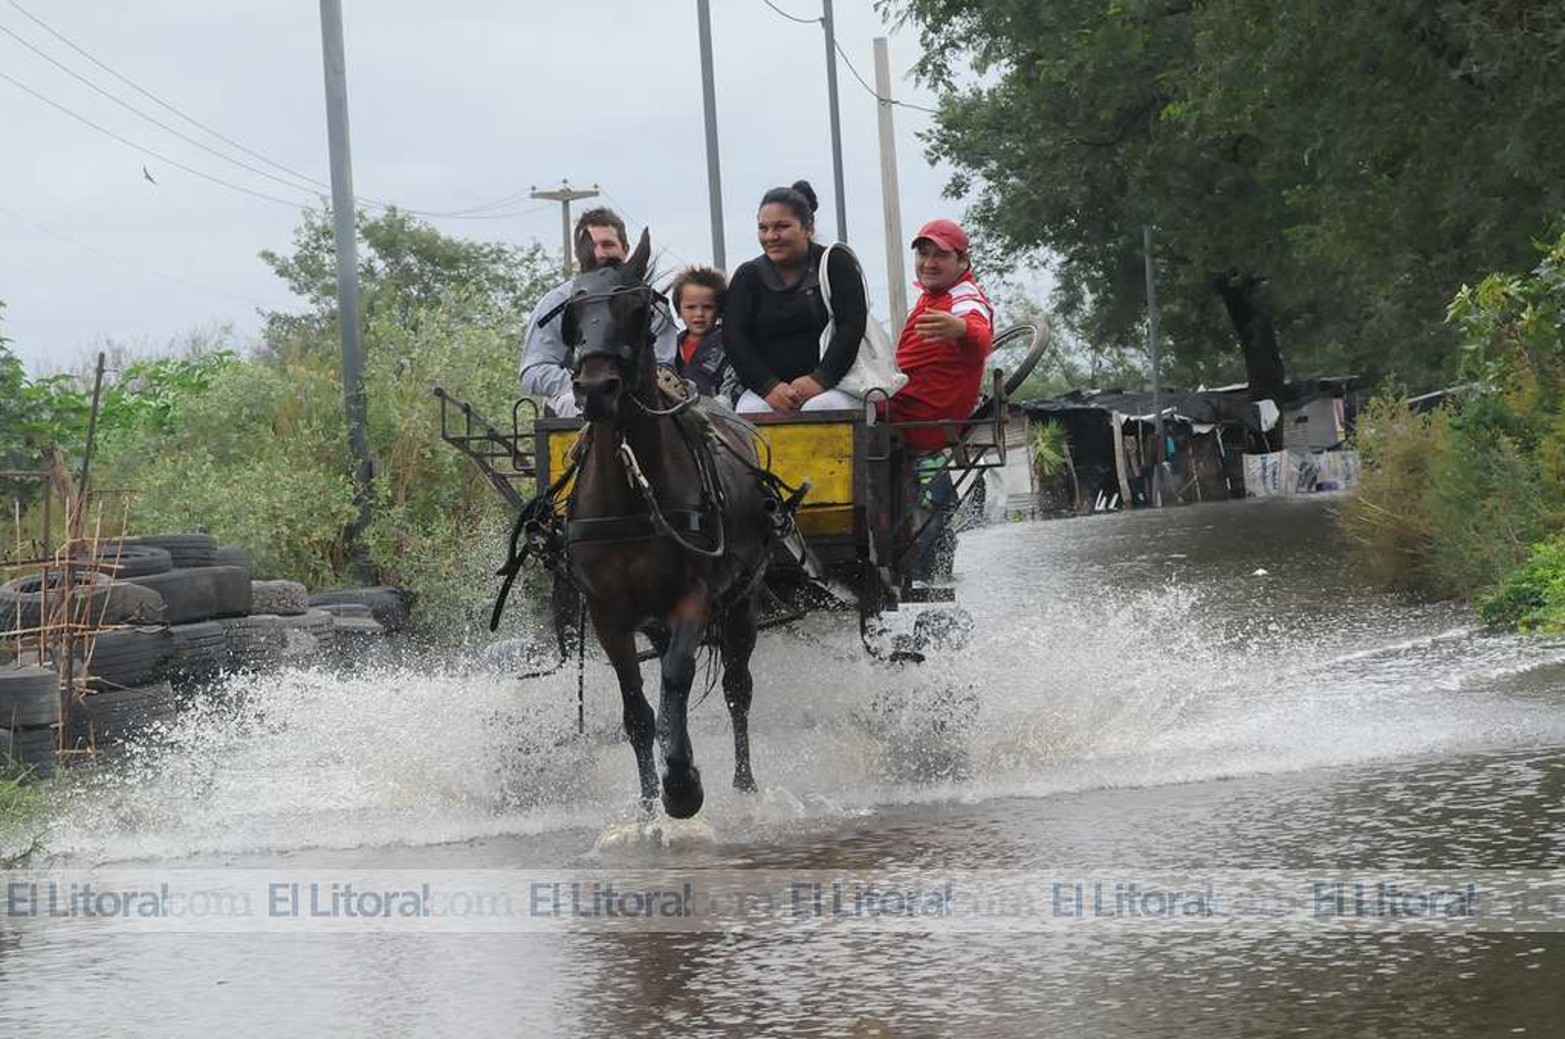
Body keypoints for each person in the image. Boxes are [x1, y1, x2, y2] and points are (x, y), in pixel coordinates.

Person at [722, 180, 868, 414]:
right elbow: (734, 336)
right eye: (763, 228)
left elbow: (851, 326)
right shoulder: (747, 275)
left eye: (782, 227)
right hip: (768, 392)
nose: (771, 236)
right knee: (749, 414)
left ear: (808, 228)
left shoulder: (835, 263)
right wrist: (768, 387)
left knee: (821, 408)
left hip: (838, 386)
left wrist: (820, 379)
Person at [519, 207, 678, 417]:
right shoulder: (556, 302)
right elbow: (533, 370)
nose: (600, 253)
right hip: (574, 399)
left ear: (625, 249)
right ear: (579, 253)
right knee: (570, 403)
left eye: (608, 244)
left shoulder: (651, 302)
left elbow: (664, 363)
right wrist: (588, 384)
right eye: (592, 246)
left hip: (641, 400)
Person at [889, 219, 995, 452]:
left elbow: (981, 338)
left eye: (941, 255)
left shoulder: (963, 300)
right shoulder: (935, 294)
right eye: (923, 254)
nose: (929, 263)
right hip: (903, 406)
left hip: (918, 420)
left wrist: (961, 329)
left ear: (962, 262)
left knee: (828, 408)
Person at [669, 265, 736, 401]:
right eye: (691, 307)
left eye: (708, 307)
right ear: (678, 310)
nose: (699, 314)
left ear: (720, 310)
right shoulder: (669, 347)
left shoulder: (730, 343)